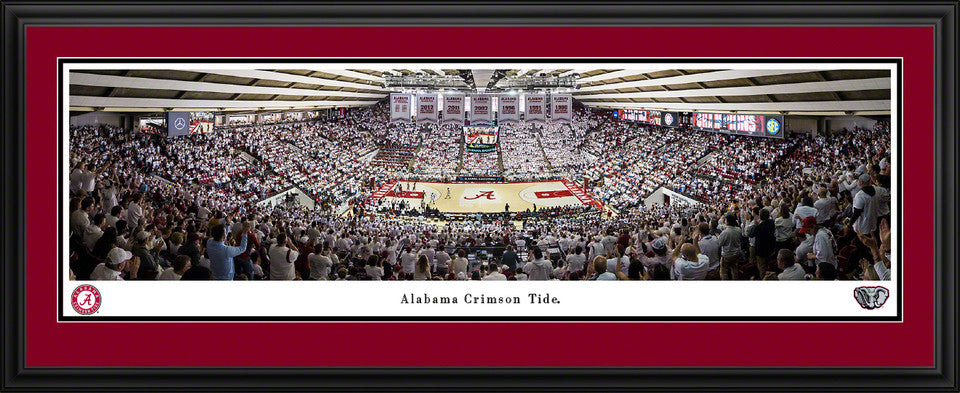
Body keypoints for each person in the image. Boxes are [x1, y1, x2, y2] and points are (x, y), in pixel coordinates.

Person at [717, 213, 743, 280]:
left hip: (727, 255)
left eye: (725, 220)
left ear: (727, 222)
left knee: (723, 271)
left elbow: (719, 243)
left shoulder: (725, 232)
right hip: (736, 253)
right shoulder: (738, 229)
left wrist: (719, 236)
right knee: (734, 269)